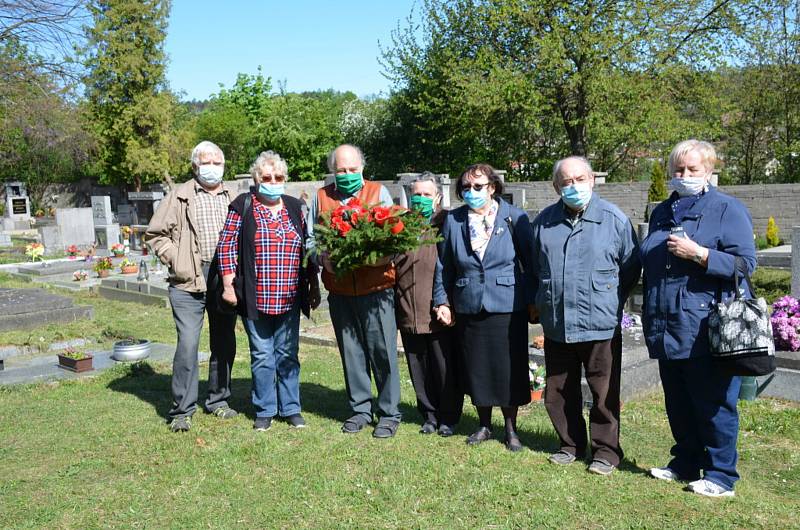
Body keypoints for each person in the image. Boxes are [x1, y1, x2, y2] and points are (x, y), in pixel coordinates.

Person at [641, 140, 756, 497]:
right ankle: (686, 462)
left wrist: (702, 254)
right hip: (665, 323)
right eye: (678, 170)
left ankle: (722, 475)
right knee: (678, 401)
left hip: (706, 326)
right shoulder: (664, 210)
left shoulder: (727, 209)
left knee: (714, 403)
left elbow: (745, 265)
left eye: (692, 170)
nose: (684, 176)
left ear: (709, 170)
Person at [530, 156, 641, 475]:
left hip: (599, 324)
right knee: (558, 390)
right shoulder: (544, 222)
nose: (574, 186)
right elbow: (536, 267)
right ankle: (570, 444)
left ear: (592, 180)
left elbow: (631, 267)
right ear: (556, 187)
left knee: (604, 392)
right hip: (557, 323)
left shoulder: (614, 219)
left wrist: (610, 300)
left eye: (580, 179)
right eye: (566, 181)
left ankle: (606, 451)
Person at [433, 163, 535, 452]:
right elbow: (444, 267)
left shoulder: (515, 218)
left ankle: (511, 429)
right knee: (476, 368)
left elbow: (531, 265)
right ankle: (484, 425)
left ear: (492, 187)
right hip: (469, 303)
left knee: (508, 368)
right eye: (466, 187)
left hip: (506, 303)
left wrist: (532, 301)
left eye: (478, 186)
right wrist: (442, 300)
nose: (471, 192)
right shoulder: (453, 220)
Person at [216, 151, 320, 432]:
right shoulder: (243, 205)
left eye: (278, 177)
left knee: (288, 353)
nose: (273, 181)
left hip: (289, 296)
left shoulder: (295, 207)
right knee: (262, 355)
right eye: (267, 177)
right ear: (256, 179)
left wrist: (313, 285)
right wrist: (228, 285)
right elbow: (226, 247)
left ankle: (291, 408)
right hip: (254, 297)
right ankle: (264, 409)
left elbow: (308, 249)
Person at [306, 144, 402, 438]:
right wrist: (322, 259)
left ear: (362, 168)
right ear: (332, 171)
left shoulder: (377, 193)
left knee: (382, 350)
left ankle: (389, 412)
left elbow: (393, 235)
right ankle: (360, 408)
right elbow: (311, 238)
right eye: (340, 170)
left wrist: (377, 255)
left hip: (377, 287)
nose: (346, 175)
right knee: (351, 352)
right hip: (341, 289)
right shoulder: (322, 198)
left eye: (351, 169)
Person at [145, 140, 238, 432]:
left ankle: (218, 400)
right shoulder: (179, 196)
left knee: (224, 341)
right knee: (187, 344)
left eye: (217, 162)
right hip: (188, 279)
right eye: (206, 162)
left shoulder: (234, 195)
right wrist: (177, 260)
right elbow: (156, 234)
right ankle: (182, 410)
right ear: (195, 166)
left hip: (225, 277)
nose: (212, 167)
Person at [395, 172, 464, 436]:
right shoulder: (402, 225)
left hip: (438, 308)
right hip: (407, 308)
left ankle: (449, 416)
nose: (421, 199)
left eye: (426, 194)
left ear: (437, 197)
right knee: (418, 366)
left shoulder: (448, 223)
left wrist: (446, 302)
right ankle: (429, 414)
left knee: (444, 366)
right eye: (417, 194)